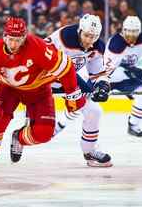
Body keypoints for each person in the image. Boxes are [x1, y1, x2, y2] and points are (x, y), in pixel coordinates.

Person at [0, 17, 86, 178]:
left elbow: (66, 67)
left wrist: (72, 94)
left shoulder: (38, 47)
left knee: (44, 133)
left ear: (24, 37)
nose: (13, 44)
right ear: (4, 36)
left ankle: (19, 138)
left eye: (17, 40)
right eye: (10, 39)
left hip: (39, 90)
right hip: (9, 89)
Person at [46, 14, 113, 167]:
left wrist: (102, 85)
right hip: (45, 80)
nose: (90, 40)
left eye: (94, 36)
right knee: (39, 129)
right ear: (79, 31)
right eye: (87, 35)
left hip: (69, 80)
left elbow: (96, 73)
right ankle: (18, 139)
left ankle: (89, 151)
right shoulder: (64, 37)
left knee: (94, 111)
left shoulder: (98, 47)